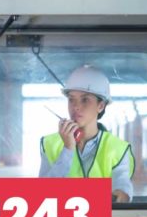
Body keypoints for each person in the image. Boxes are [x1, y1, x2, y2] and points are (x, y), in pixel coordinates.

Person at [39, 65, 135, 203]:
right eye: (71, 99)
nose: (76, 106)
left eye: (85, 100)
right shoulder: (50, 144)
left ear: (101, 106)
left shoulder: (118, 149)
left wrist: (120, 194)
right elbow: (42, 193)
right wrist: (67, 149)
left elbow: (122, 188)